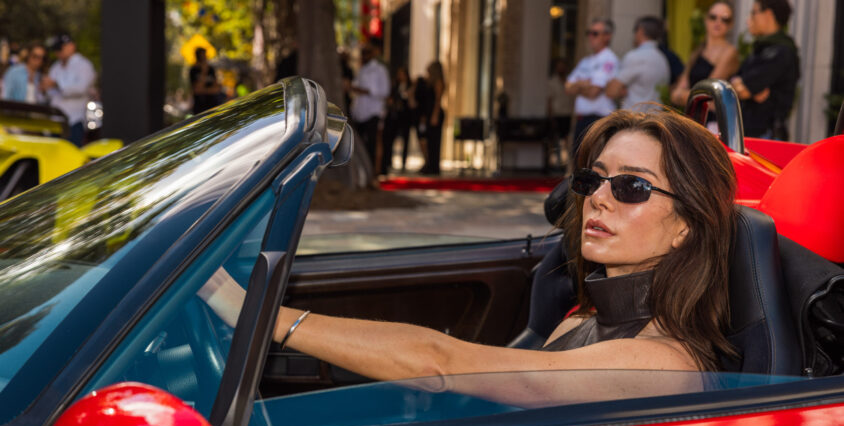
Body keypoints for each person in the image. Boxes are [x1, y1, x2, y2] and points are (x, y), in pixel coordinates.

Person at [200, 109, 738, 401]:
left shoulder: (662, 361)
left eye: (633, 187)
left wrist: (258, 312)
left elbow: (443, 363)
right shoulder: (592, 314)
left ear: (685, 228)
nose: (598, 196)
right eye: (592, 179)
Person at [730, 0, 799, 140]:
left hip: (766, 136)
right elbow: (735, 82)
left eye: (753, 12)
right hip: (750, 132)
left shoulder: (781, 51)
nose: (748, 19)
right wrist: (743, 86)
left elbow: (744, 90)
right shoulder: (762, 48)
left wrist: (745, 88)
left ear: (768, 14)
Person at [565, 19, 619, 159]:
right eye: (588, 33)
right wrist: (585, 84)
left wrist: (579, 84)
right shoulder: (585, 61)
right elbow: (567, 88)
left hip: (598, 120)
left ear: (607, 36)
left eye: (595, 33)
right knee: (578, 160)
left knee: (592, 161)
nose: (590, 37)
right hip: (582, 119)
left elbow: (594, 92)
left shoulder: (609, 59)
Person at [671, 1, 740, 107]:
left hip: (713, 120)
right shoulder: (698, 51)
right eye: (713, 17)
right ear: (706, 19)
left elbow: (707, 93)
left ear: (730, 24)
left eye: (725, 19)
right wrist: (684, 95)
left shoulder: (730, 52)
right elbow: (676, 94)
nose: (718, 22)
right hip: (693, 116)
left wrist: (683, 95)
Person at [41, 34, 96, 147]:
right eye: (56, 49)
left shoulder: (83, 65)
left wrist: (56, 84)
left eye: (60, 48)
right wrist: (44, 88)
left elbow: (81, 88)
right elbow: (50, 93)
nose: (58, 52)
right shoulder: (55, 67)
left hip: (74, 120)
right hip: (55, 122)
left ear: (71, 46)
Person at [606, 16, 670, 110]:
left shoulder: (635, 57)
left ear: (640, 30)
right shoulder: (663, 59)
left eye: (635, 30)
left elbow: (611, 91)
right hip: (656, 119)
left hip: (634, 119)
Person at [350, 40, 390, 173]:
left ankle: (374, 172)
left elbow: (384, 92)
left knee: (373, 143)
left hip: (374, 111)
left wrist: (366, 91)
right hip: (360, 112)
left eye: (367, 53)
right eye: (363, 53)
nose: (364, 56)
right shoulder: (361, 70)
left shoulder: (380, 70)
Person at [383, 66, 413, 173]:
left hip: (406, 117)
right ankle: (389, 161)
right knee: (391, 139)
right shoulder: (395, 86)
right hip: (395, 116)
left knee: (405, 139)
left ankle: (403, 162)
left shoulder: (411, 86)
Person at [547, 58, 574, 171]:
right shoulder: (552, 82)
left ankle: (567, 163)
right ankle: (557, 163)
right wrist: (551, 115)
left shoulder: (570, 81)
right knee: (557, 140)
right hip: (558, 114)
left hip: (568, 113)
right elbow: (549, 100)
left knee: (568, 140)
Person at [420, 61, 445, 175]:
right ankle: (429, 164)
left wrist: (435, 115)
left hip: (435, 113)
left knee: (435, 141)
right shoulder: (429, 81)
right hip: (429, 112)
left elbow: (438, 100)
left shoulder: (438, 82)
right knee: (429, 140)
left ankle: (434, 167)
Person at [189, 47, 222, 115]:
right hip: (200, 108)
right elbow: (196, 90)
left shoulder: (211, 69)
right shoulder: (193, 70)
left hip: (213, 106)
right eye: (202, 56)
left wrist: (203, 90)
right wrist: (203, 71)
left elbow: (216, 89)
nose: (205, 58)